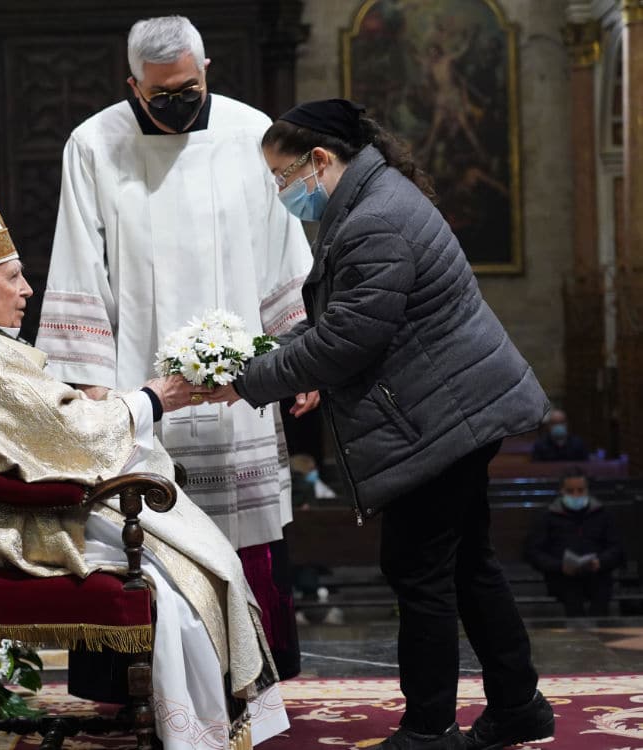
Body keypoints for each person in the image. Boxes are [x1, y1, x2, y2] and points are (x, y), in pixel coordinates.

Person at [0, 151, 288, 749]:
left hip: (25, 502)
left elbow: (45, 425)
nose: (28, 290)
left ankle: (209, 724)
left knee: (200, 555)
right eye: (14, 277)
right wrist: (152, 399)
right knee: (182, 577)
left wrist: (118, 402)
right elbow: (67, 434)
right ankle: (194, 734)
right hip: (12, 520)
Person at [206, 99, 554, 750]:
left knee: (419, 571)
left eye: (283, 176)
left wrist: (250, 380)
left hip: (443, 416)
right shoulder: (372, 200)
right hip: (451, 410)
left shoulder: (375, 219)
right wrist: (269, 360)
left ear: (320, 159)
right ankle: (518, 706)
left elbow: (347, 341)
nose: (282, 191)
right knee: (467, 565)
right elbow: (342, 323)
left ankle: (430, 730)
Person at [35, 14, 315, 678]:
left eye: (188, 87)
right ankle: (134, 679)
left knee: (240, 528)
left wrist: (300, 360)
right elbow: (78, 261)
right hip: (138, 383)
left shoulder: (252, 135)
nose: (177, 102)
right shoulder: (93, 144)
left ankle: (249, 676)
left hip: (240, 391)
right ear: (132, 84)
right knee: (138, 524)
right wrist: (91, 384)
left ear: (206, 69)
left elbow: (282, 255)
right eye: (160, 94)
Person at [525, 468, 624, 616]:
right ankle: (578, 629)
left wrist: (600, 562)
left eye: (580, 490)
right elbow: (534, 552)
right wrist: (559, 566)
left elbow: (616, 547)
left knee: (601, 596)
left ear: (587, 490)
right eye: (570, 491)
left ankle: (599, 628)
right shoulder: (547, 516)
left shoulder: (603, 514)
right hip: (562, 576)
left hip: (597, 574)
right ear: (562, 491)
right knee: (571, 596)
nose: (576, 495)